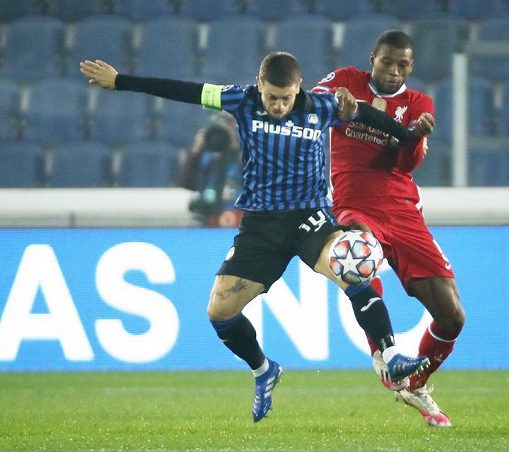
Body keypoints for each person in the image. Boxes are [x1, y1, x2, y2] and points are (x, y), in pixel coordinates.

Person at [80, 52, 431, 423]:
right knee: (220, 312)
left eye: (286, 97)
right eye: (272, 97)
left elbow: (367, 114)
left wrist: (408, 136)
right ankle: (264, 370)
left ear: (298, 87)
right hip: (261, 226)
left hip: (309, 218)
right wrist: (121, 81)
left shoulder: (322, 105)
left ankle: (391, 356)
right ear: (259, 85)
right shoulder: (239, 99)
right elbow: (183, 90)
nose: (279, 105)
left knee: (352, 264)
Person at [313, 30, 466, 427]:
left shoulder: (418, 104)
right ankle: (385, 355)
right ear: (372, 59)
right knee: (356, 257)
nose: (394, 72)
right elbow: (309, 103)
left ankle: (416, 383)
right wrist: (335, 102)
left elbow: (406, 166)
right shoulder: (344, 79)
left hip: (402, 210)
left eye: (403, 65)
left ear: (411, 67)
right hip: (353, 201)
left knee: (452, 317)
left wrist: (415, 139)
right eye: (387, 62)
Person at [178, 112, 244, 227]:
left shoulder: (242, 152)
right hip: (206, 212)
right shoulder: (204, 154)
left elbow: (252, 177)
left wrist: (235, 146)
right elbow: (186, 183)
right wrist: (196, 150)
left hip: (239, 211)